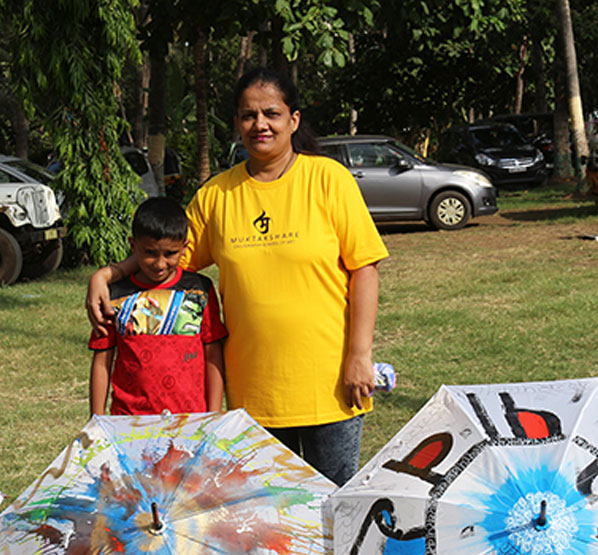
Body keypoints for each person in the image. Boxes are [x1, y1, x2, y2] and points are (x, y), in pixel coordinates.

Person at [87, 67, 388, 485]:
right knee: (268, 514)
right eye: (249, 115)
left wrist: (359, 356)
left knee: (336, 507)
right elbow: (168, 255)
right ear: (236, 124)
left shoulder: (328, 180)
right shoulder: (216, 195)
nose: (260, 124)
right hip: (254, 396)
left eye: (272, 114)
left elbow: (364, 270)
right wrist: (108, 274)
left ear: (293, 120)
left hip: (331, 386)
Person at [88, 197, 227, 416]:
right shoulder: (113, 295)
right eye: (150, 253)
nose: (160, 264)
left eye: (170, 254)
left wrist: (213, 416)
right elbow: (102, 360)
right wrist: (96, 419)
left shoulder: (199, 291)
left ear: (185, 247)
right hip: (130, 421)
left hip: (190, 420)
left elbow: (213, 354)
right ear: (133, 246)